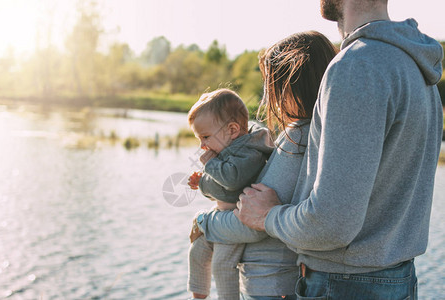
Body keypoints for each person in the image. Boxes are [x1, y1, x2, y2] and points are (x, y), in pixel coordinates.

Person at [235, 0, 444, 299]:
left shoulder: (357, 66)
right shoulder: (417, 67)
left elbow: (331, 225)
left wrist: (268, 216)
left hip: (346, 285)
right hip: (397, 281)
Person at [193, 31, 338, 299]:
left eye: (273, 85)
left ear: (293, 85)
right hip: (280, 282)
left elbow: (251, 222)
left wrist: (205, 221)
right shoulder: (322, 133)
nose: (269, 96)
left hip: (269, 285)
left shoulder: (298, 138)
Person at [186, 88, 274, 300]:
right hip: (224, 216)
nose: (202, 145)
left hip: (239, 221)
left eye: (205, 137)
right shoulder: (229, 149)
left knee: (222, 264)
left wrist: (211, 165)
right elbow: (220, 189)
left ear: (233, 129)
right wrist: (203, 182)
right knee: (197, 251)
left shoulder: (249, 153)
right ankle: (198, 297)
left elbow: (232, 180)